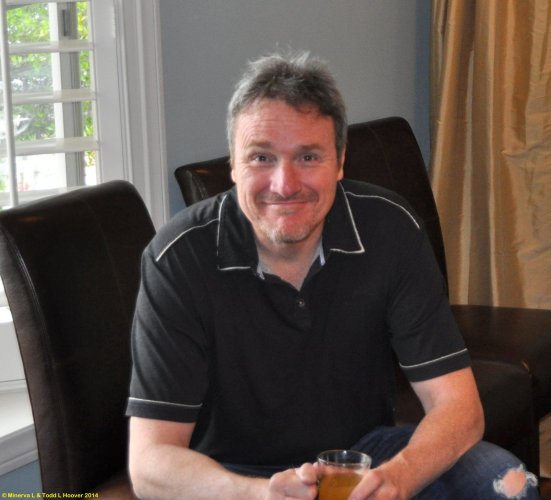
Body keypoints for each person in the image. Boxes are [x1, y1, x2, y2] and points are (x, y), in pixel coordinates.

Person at [126, 51, 539, 499]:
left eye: (308, 157)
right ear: (233, 165)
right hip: (229, 472)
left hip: (361, 455)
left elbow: (459, 408)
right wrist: (260, 494)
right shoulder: (176, 259)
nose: (285, 185)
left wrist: (397, 478)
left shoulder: (390, 230)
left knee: (507, 483)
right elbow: (150, 463)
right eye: (261, 157)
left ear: (340, 161)